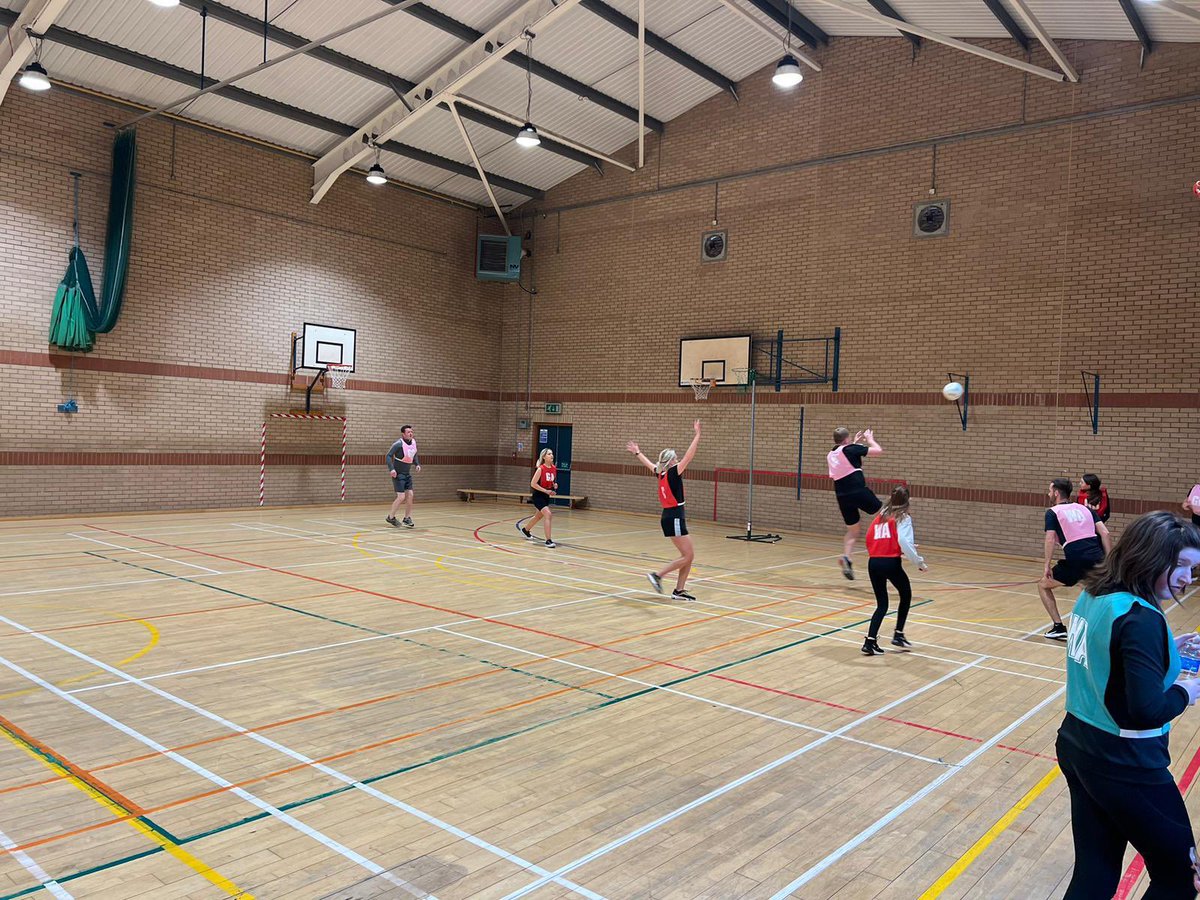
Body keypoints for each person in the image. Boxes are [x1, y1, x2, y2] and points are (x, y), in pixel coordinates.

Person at [1057, 511, 1200, 899]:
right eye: (1182, 565)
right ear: (1149, 555)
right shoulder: (1141, 619)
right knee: (1181, 877)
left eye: (1194, 568)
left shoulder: (1095, 592)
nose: (1188, 579)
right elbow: (1148, 709)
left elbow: (1112, 651)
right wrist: (1192, 687)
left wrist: (1168, 645)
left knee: (1095, 871)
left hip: (1077, 744)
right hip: (1126, 762)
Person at [626, 420, 701, 601]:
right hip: (674, 516)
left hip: (671, 516)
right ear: (671, 462)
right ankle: (658, 576)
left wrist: (638, 452)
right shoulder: (673, 472)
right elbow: (689, 456)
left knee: (688, 555)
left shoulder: (661, 472)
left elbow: (649, 464)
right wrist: (697, 435)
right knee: (688, 555)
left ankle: (679, 591)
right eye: (675, 458)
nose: (678, 459)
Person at [1040, 477, 1112, 641]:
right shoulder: (1085, 509)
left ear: (1056, 493)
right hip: (1097, 556)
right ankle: (1103, 628)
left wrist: (1047, 565)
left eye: (1050, 490)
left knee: (1043, 585)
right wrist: (1109, 559)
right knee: (1092, 591)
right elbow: (1105, 533)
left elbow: (1050, 539)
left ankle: (1058, 627)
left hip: (1077, 559)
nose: (1048, 493)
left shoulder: (1053, 512)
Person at [861, 485, 928, 656]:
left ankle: (870, 642)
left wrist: (882, 551)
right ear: (907, 500)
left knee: (882, 604)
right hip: (890, 563)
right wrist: (919, 562)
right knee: (906, 594)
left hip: (874, 563)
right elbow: (904, 541)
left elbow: (870, 537)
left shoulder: (881, 515)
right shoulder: (903, 517)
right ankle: (898, 634)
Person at [827, 426, 884, 580]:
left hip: (842, 496)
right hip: (857, 490)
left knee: (853, 531)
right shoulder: (851, 449)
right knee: (886, 511)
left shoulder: (832, 453)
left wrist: (855, 443)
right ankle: (898, 545)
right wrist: (870, 440)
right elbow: (878, 450)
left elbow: (847, 456)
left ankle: (847, 557)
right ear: (846, 439)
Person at [517, 449, 558, 548]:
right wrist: (545, 491)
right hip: (538, 496)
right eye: (549, 454)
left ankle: (525, 530)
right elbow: (533, 484)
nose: (551, 455)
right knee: (548, 514)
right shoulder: (540, 469)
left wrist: (554, 486)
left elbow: (551, 482)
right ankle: (548, 540)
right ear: (544, 457)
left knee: (538, 516)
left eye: (552, 454)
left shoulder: (553, 468)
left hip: (546, 495)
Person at [384, 425, 420, 528]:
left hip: (407, 474)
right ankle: (390, 517)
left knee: (410, 495)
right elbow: (388, 456)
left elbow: (414, 454)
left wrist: (417, 464)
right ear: (403, 434)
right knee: (401, 497)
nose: (411, 433)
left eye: (411, 432)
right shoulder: (398, 444)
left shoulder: (413, 442)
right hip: (398, 474)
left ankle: (407, 518)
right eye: (408, 432)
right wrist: (391, 469)